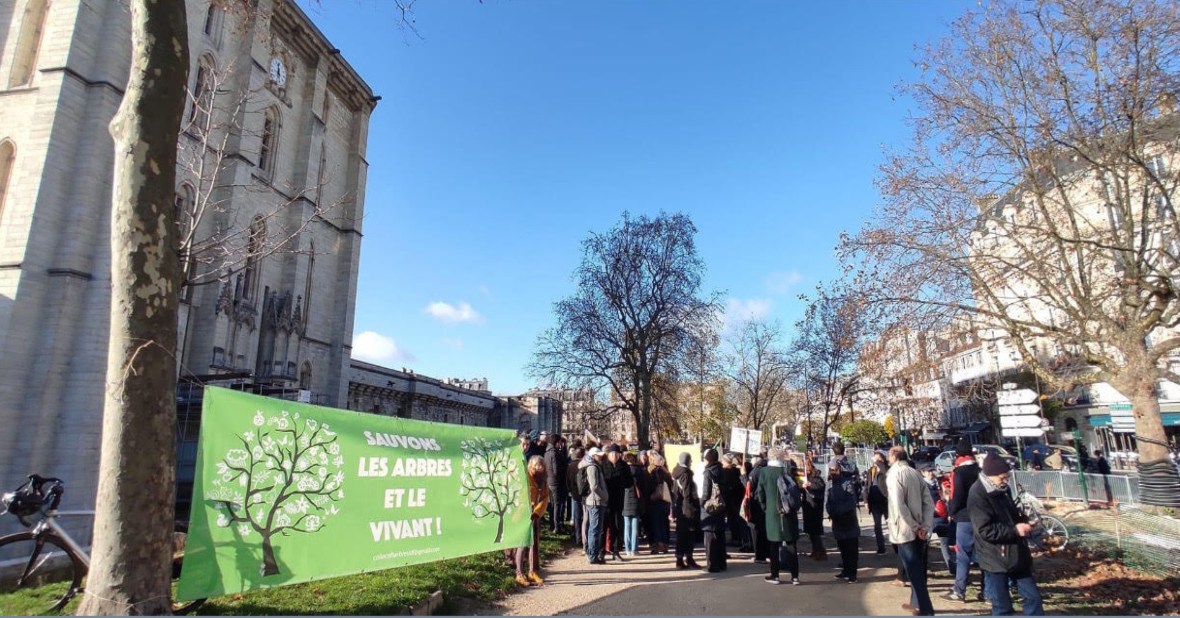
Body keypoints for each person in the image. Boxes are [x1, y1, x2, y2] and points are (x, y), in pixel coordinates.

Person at [969, 453, 1045, 616]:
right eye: (1002, 478)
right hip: (995, 558)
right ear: (990, 476)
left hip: (1017, 553)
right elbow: (985, 530)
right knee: (1002, 606)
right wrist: (1015, 530)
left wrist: (1024, 520)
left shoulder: (1004, 489)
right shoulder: (977, 494)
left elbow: (1011, 515)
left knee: (1033, 598)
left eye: (1007, 477)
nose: (1006, 481)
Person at [887, 446, 935, 616]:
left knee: (913, 569)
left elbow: (898, 504)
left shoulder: (894, 474)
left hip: (905, 528)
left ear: (894, 457)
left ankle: (925, 608)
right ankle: (918, 603)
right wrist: (925, 525)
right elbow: (928, 501)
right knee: (918, 569)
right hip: (918, 526)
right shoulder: (914, 472)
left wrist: (916, 526)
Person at [947, 438, 984, 603]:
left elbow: (957, 496)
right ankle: (988, 591)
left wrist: (951, 511)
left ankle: (959, 590)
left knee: (963, 556)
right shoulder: (980, 470)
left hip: (964, 517)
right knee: (984, 555)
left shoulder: (959, 473)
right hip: (982, 517)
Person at [758, 447, 801, 585]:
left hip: (772, 512)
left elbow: (760, 493)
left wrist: (765, 508)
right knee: (791, 544)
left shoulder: (764, 472)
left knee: (773, 545)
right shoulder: (787, 470)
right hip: (789, 511)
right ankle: (795, 576)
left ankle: (775, 575)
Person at [826, 441, 862, 583]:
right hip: (842, 513)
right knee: (843, 543)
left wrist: (834, 510)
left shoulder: (846, 482)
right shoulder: (851, 465)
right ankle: (847, 570)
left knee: (850, 544)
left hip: (844, 514)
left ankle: (851, 573)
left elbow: (850, 498)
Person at [517, 455, 549, 586]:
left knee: (533, 544)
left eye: (541, 465)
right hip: (523, 514)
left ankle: (532, 571)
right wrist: (526, 511)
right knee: (521, 544)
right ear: (531, 466)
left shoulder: (543, 479)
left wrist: (537, 512)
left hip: (535, 514)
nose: (539, 467)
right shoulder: (525, 477)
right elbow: (520, 495)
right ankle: (519, 573)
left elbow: (545, 497)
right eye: (536, 465)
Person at [671, 451, 702, 570]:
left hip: (680, 507)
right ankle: (687, 558)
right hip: (687, 508)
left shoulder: (676, 472)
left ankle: (680, 558)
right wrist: (693, 507)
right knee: (688, 534)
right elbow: (687, 493)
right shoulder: (685, 474)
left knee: (681, 534)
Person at [602, 444, 633, 561]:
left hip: (619, 499)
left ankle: (615, 551)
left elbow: (630, 482)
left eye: (616, 454)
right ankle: (602, 551)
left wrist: (622, 482)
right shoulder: (603, 465)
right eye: (612, 454)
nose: (614, 456)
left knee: (617, 526)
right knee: (604, 526)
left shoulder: (624, 466)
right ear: (608, 454)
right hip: (606, 500)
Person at [700, 449, 728, 572]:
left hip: (711, 508)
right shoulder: (722, 470)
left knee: (710, 538)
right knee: (720, 536)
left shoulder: (708, 472)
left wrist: (701, 503)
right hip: (721, 505)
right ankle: (722, 563)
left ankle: (712, 565)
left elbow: (706, 492)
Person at [581, 447, 609, 565]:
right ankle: (592, 555)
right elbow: (594, 486)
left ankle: (593, 554)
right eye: (598, 455)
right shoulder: (592, 467)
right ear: (593, 456)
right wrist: (604, 496)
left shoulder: (592, 466)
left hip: (595, 501)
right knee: (594, 529)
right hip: (595, 501)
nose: (601, 457)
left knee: (595, 529)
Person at [801, 452, 827, 560]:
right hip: (808, 505)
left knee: (815, 531)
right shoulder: (807, 476)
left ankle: (820, 551)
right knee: (811, 531)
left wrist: (810, 485)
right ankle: (815, 550)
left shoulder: (815, 476)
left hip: (814, 506)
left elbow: (820, 485)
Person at [746, 451, 771, 563]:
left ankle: (759, 555)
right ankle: (767, 553)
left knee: (756, 531)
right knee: (764, 531)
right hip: (766, 505)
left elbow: (749, 487)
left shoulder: (755, 472)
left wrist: (743, 476)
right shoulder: (767, 471)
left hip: (756, 504)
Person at [647, 452, 673, 554]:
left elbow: (649, 486)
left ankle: (658, 545)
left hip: (655, 501)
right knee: (664, 523)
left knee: (656, 524)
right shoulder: (666, 472)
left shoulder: (652, 472)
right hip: (665, 501)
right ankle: (665, 545)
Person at [622, 452, 646, 557]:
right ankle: (634, 549)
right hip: (636, 501)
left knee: (626, 526)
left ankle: (627, 548)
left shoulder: (622, 472)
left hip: (625, 501)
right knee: (635, 526)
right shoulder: (639, 471)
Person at [866, 450, 890, 554]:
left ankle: (896, 545)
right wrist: (866, 499)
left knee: (890, 523)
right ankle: (881, 547)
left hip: (885, 501)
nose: (875, 460)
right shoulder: (872, 470)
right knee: (877, 526)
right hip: (874, 501)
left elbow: (886, 474)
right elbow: (867, 485)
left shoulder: (886, 468)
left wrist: (880, 464)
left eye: (877, 457)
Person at [544, 433, 568, 533]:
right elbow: (556, 470)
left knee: (552, 504)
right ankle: (556, 526)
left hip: (549, 481)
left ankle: (552, 525)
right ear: (557, 442)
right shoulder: (554, 453)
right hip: (556, 482)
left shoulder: (547, 452)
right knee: (557, 505)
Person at [722, 453, 745, 549]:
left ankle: (736, 539)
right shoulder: (735, 470)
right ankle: (737, 538)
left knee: (734, 519)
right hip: (736, 498)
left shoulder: (728, 471)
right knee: (735, 519)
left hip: (732, 498)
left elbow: (728, 484)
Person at [566, 446, 585, 546]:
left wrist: (570, 491)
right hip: (584, 494)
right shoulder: (584, 466)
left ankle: (578, 538)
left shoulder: (570, 466)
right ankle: (584, 537)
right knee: (585, 517)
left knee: (577, 517)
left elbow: (567, 481)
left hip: (574, 494)